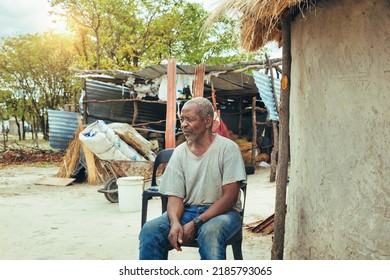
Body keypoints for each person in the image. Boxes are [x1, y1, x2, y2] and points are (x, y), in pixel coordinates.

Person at [139, 97, 246, 260]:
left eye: (189, 119)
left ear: (207, 121)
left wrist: (197, 222)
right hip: (187, 211)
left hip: (224, 213)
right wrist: (175, 222)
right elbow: (175, 196)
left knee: (210, 232)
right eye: (182, 119)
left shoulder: (227, 149)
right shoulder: (180, 153)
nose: (183, 124)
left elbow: (230, 198)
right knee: (150, 230)